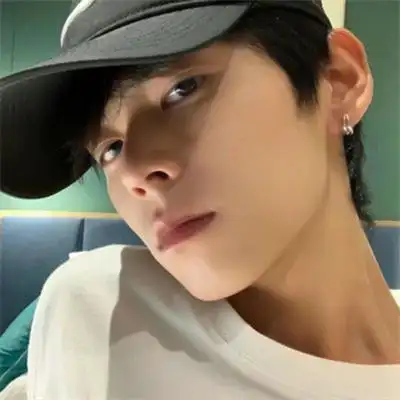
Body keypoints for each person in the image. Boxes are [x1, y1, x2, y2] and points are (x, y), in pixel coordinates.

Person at [0, 0, 399, 399]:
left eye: (183, 89)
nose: (135, 173)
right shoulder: (102, 318)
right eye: (110, 149)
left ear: (338, 80)